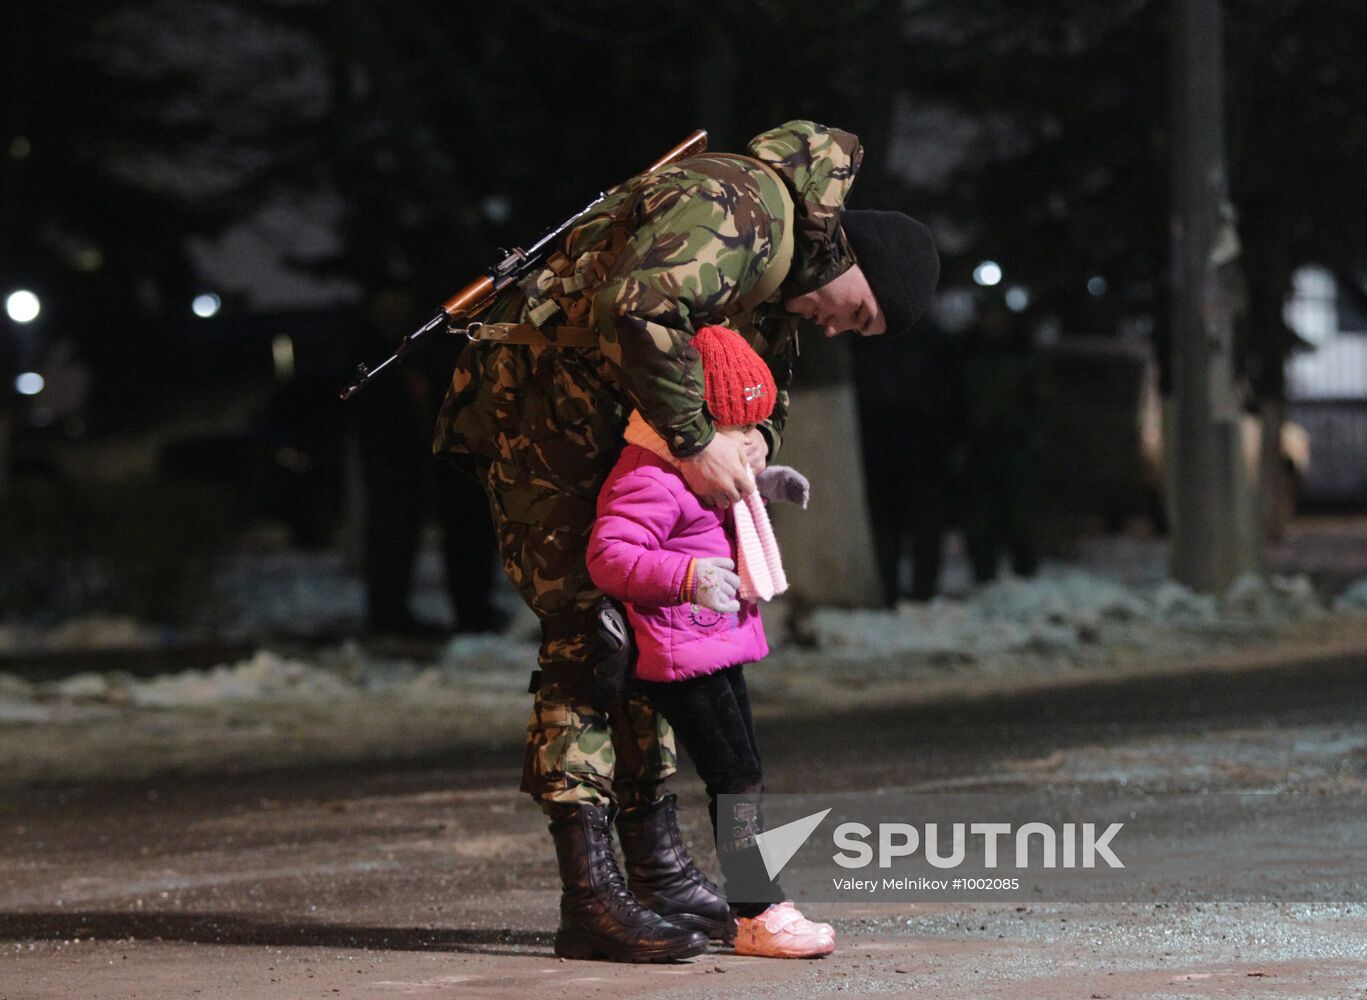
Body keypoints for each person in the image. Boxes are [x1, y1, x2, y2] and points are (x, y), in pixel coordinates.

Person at [433, 120, 939, 962]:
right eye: (859, 315)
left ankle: (658, 870)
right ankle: (589, 896)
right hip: (544, 428)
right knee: (588, 642)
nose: (841, 328)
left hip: (612, 436)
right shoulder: (741, 210)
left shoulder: (779, 279)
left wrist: (750, 446)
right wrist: (694, 439)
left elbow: (758, 394)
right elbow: (638, 305)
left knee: (649, 649)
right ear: (853, 263)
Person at [587, 324, 834, 958]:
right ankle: (757, 910)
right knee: (735, 777)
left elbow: (711, 515)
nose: (750, 442)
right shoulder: (652, 474)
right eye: (741, 430)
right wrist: (687, 577)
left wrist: (768, 481)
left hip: (713, 643)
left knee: (742, 774)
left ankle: (758, 902)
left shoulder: (688, 471)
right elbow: (611, 554)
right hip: (679, 650)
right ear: (697, 425)